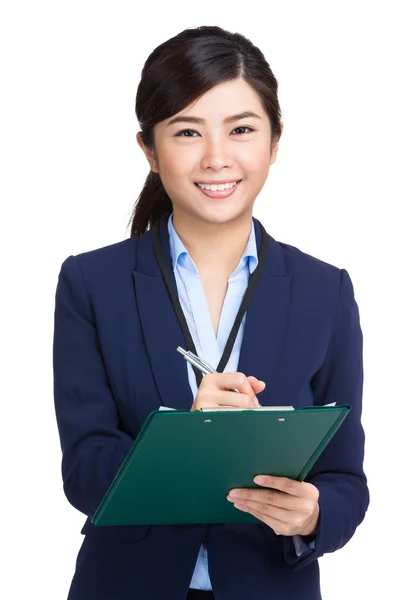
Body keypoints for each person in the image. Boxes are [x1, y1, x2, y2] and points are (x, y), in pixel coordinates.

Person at [53, 25, 369, 600]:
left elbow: (346, 479)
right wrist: (181, 437)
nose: (217, 157)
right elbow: (84, 473)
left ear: (274, 142)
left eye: (242, 130)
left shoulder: (326, 291)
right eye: (187, 131)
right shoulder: (91, 283)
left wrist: (315, 516)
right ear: (149, 149)